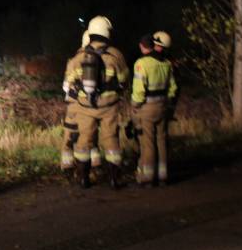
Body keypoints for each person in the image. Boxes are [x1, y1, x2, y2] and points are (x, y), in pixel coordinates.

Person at [65, 16, 129, 188]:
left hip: (85, 107)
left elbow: (69, 83)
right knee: (111, 140)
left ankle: (84, 178)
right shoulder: (116, 55)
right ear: (107, 32)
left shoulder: (78, 58)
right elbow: (124, 79)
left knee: (84, 141)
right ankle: (114, 179)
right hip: (109, 106)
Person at [131, 31, 178, 186]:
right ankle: (163, 175)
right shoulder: (167, 64)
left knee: (148, 143)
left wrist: (135, 105)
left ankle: (148, 177)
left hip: (147, 108)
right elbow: (173, 88)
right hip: (163, 107)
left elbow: (138, 91)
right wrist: (168, 104)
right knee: (162, 141)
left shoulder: (142, 64)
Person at [60, 30, 90, 183]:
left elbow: (66, 87)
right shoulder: (99, 60)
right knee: (88, 138)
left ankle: (67, 168)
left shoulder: (74, 61)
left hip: (73, 106)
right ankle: (92, 168)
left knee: (69, 138)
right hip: (90, 108)